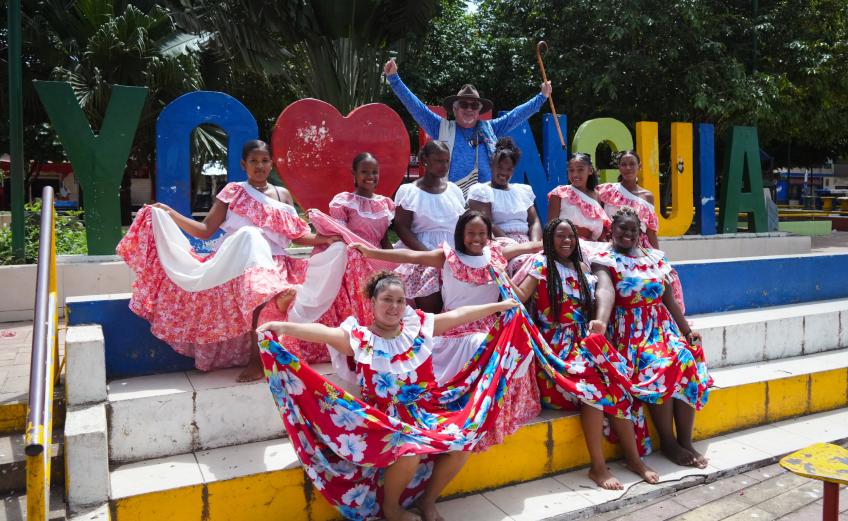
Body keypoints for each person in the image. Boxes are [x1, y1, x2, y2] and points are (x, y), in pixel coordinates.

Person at [258, 272, 529, 521]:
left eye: (400, 300)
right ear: (373, 302)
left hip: (424, 411)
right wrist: (283, 328)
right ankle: (392, 510)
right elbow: (324, 333)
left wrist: (499, 307)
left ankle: (427, 501)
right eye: (387, 299)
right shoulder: (360, 339)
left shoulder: (418, 328)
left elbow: (459, 315)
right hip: (383, 420)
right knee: (408, 451)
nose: (394, 307)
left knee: (462, 443)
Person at [116, 140, 338, 382]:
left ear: (271, 163)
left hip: (277, 263)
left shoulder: (282, 195)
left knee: (330, 257)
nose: (259, 166)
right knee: (251, 238)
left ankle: (270, 346)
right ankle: (256, 359)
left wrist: (325, 239)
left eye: (264, 161)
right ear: (244, 164)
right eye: (253, 161)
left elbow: (297, 235)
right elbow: (204, 230)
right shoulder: (233, 191)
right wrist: (170, 213)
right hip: (237, 262)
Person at [353, 210, 543, 452]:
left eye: (482, 233)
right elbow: (413, 256)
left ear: (489, 235)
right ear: (460, 234)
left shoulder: (495, 255)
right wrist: (371, 252)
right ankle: (471, 409)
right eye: (470, 233)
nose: (476, 238)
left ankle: (500, 409)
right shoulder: (449, 258)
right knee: (479, 344)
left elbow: (527, 248)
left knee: (514, 346)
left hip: (488, 325)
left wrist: (548, 241)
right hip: (454, 327)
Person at [511, 218, 659, 489]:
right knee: (594, 390)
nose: (566, 241)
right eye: (560, 236)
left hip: (583, 344)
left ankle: (633, 460)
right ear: (548, 238)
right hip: (555, 351)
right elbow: (520, 296)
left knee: (618, 383)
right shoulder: (541, 265)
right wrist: (497, 274)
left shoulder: (582, 268)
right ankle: (598, 467)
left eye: (571, 236)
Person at [595, 207, 713, 468]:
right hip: (630, 333)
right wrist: (601, 322)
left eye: (633, 230)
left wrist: (686, 331)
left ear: (640, 233)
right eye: (622, 228)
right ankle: (668, 442)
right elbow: (605, 290)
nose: (627, 233)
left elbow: (667, 297)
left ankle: (686, 440)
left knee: (686, 359)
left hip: (661, 328)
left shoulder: (654, 257)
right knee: (660, 364)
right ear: (612, 231)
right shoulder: (604, 258)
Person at [272, 152, 397, 362]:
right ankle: (358, 343)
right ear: (354, 175)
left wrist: (394, 261)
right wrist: (362, 255)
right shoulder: (344, 201)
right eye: (364, 172)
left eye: (374, 172)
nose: (370, 176)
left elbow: (384, 239)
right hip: (353, 262)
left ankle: (381, 343)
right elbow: (341, 235)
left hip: (376, 259)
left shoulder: (385, 204)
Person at [384, 58, 552, 193]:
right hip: (451, 200)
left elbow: (516, 115)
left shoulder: (489, 129)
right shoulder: (441, 127)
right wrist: (394, 79)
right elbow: (417, 108)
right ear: (455, 109)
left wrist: (542, 96)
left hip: (486, 199)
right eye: (464, 104)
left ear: (479, 111)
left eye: (474, 106)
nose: (469, 109)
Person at [597, 150, 687, 313]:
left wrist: (659, 259)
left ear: (640, 166)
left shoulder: (647, 196)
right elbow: (596, 217)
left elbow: (651, 231)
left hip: (639, 247)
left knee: (666, 277)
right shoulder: (607, 190)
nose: (628, 168)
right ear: (618, 167)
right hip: (610, 245)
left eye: (632, 164)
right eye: (623, 164)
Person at [392, 141, 465, 313]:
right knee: (430, 307)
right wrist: (428, 256)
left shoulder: (454, 190)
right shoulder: (408, 191)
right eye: (439, 160)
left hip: (453, 253)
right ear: (425, 160)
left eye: (447, 161)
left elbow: (462, 227)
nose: (444, 165)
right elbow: (401, 227)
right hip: (420, 252)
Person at [467, 137, 541, 275]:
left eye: (509, 169)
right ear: (491, 165)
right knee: (526, 265)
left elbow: (534, 221)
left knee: (545, 262)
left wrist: (534, 245)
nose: (504, 173)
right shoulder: (481, 191)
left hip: (529, 244)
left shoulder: (523, 191)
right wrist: (519, 247)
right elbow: (487, 224)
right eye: (500, 167)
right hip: (499, 243)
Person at [547, 153, 611, 241]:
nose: (575, 174)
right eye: (571, 170)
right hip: (566, 245)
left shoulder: (597, 195)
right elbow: (551, 227)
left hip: (594, 246)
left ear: (590, 171)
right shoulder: (559, 193)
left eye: (580, 170)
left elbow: (601, 230)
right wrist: (578, 231)